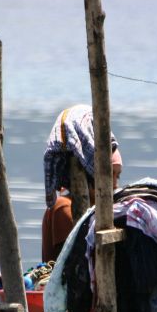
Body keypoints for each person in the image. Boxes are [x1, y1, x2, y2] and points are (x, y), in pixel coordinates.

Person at [41, 104, 123, 263]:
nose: (114, 184)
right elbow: (73, 265)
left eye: (117, 176)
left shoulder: (100, 209)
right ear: (90, 172)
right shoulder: (64, 208)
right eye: (110, 175)